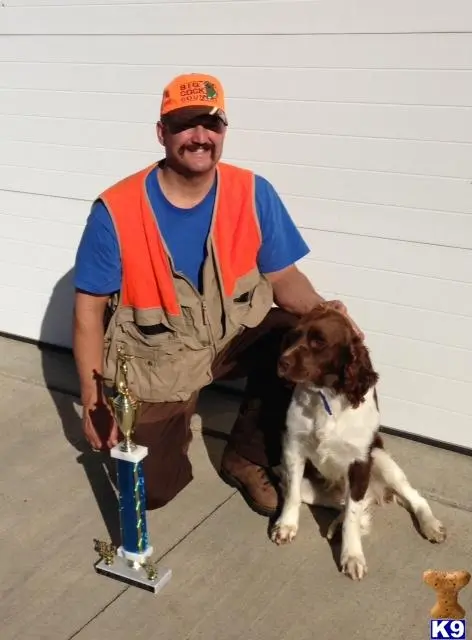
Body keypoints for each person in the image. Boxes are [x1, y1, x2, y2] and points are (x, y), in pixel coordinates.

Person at [73, 72, 361, 517]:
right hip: (159, 362)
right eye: (185, 124)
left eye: (211, 123)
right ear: (162, 133)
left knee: (296, 336)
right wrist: (93, 401)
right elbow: (88, 314)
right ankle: (175, 417)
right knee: (152, 494)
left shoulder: (252, 192)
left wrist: (329, 317)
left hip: (230, 338)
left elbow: (284, 278)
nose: (200, 136)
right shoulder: (115, 210)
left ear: (223, 131)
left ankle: (247, 457)